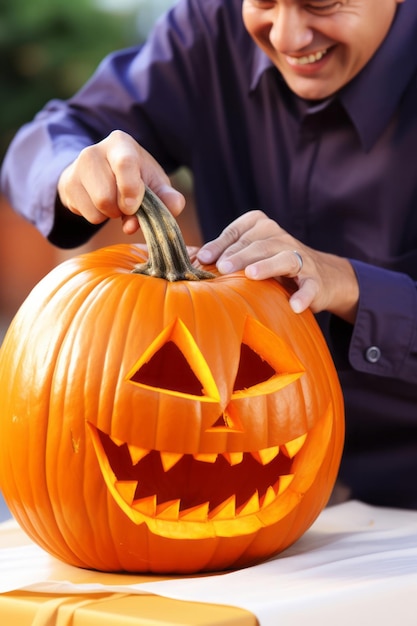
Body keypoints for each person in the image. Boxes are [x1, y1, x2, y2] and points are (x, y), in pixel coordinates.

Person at [1, 0, 417, 509]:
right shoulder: (207, 31)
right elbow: (44, 141)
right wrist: (76, 173)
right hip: (288, 515)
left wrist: (351, 285)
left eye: (321, 4)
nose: (287, 36)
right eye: (264, 2)